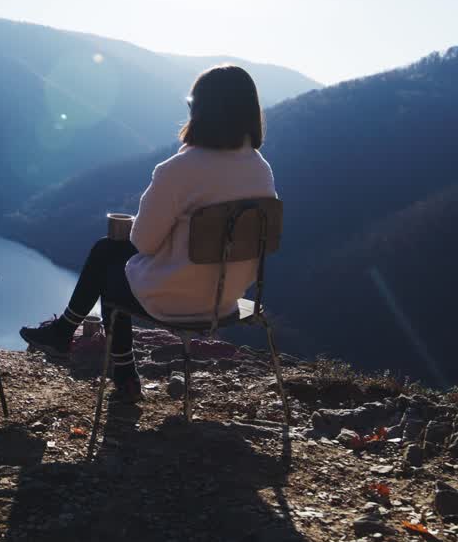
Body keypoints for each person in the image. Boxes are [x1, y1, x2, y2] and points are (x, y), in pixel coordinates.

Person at [19, 64, 277, 401]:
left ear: (201, 112)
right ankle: (66, 333)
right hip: (227, 298)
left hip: (178, 298)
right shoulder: (260, 170)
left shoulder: (177, 170)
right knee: (106, 253)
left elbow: (143, 242)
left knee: (110, 267)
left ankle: (119, 373)